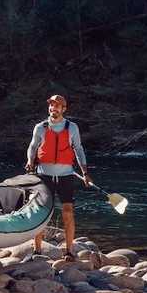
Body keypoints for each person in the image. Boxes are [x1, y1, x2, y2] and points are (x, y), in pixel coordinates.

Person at [26, 93, 90, 261]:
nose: (53, 108)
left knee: (68, 212)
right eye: (51, 105)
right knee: (41, 212)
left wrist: (85, 172)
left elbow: (79, 149)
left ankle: (69, 251)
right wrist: (30, 161)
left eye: (57, 106)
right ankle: (37, 250)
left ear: (64, 109)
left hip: (66, 176)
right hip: (43, 176)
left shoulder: (72, 128)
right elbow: (32, 147)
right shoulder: (41, 127)